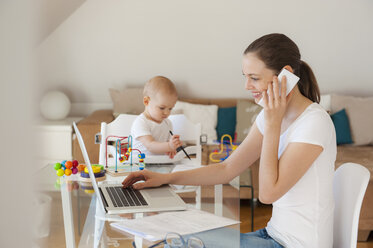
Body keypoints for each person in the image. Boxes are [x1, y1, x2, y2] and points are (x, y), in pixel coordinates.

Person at [123, 34, 336, 248]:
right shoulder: (267, 117)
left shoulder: (314, 122)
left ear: (285, 76)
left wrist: (273, 124)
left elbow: (268, 194)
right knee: (173, 236)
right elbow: (227, 168)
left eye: (254, 78)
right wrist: (165, 178)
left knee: (177, 244)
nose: (246, 85)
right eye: (245, 76)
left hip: (296, 245)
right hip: (272, 234)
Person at [131, 76, 183, 159]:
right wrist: (169, 146)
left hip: (159, 163)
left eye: (170, 108)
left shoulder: (168, 123)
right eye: (161, 108)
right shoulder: (141, 122)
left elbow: (165, 146)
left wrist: (172, 149)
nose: (166, 113)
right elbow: (150, 146)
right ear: (146, 101)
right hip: (139, 164)